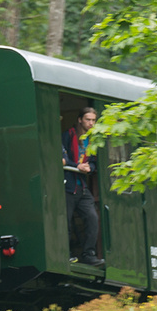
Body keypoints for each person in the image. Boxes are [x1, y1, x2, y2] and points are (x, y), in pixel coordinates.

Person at [62, 106, 103, 266]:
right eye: (88, 120)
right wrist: (76, 165)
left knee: (92, 218)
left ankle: (89, 254)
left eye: (93, 120)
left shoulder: (92, 140)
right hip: (68, 185)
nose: (91, 123)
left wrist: (89, 168)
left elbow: (93, 162)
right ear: (80, 120)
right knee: (65, 220)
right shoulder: (68, 135)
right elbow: (62, 158)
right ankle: (66, 253)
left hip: (82, 186)